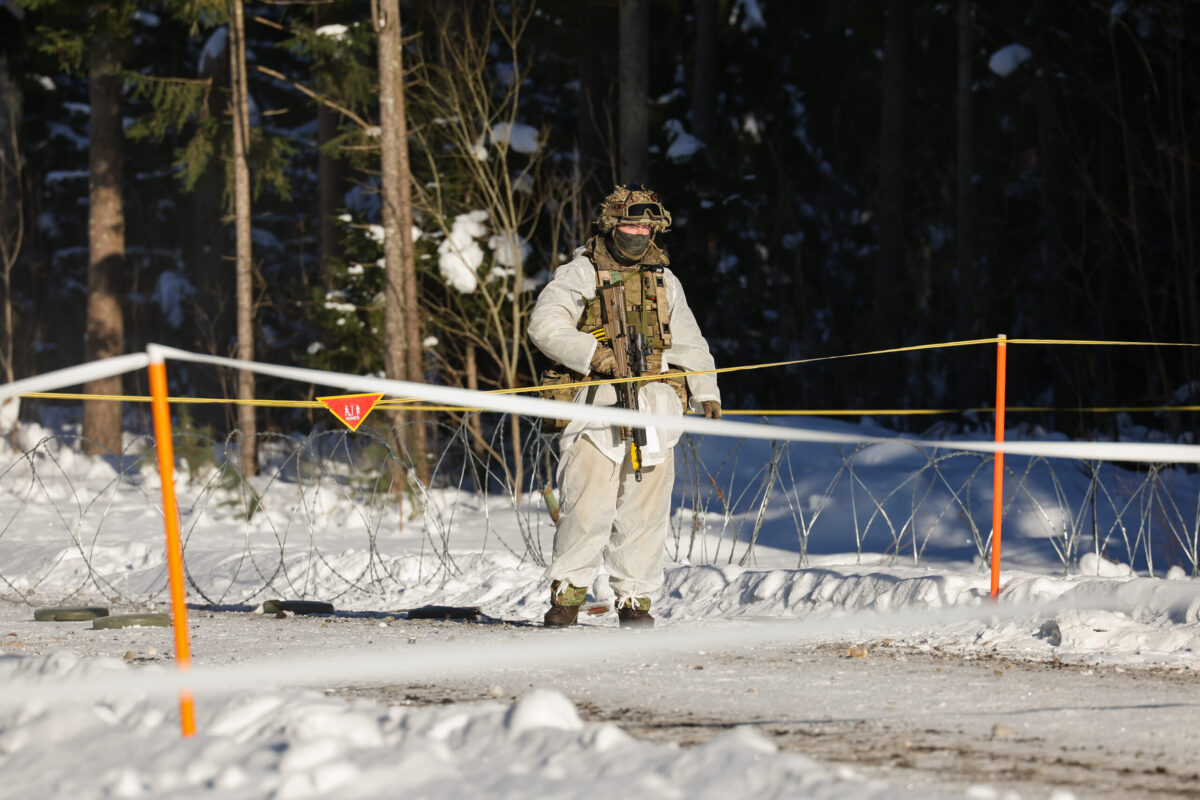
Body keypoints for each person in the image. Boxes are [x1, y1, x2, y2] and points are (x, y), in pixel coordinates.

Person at [528, 185, 721, 629]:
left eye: (646, 225)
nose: (638, 232)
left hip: (655, 407)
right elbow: (545, 323)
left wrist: (706, 390)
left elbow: (688, 340)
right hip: (595, 404)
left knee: (646, 509)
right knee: (587, 502)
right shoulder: (581, 271)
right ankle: (568, 592)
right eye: (631, 224)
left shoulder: (664, 280)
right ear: (611, 225)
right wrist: (594, 356)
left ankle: (636, 598)